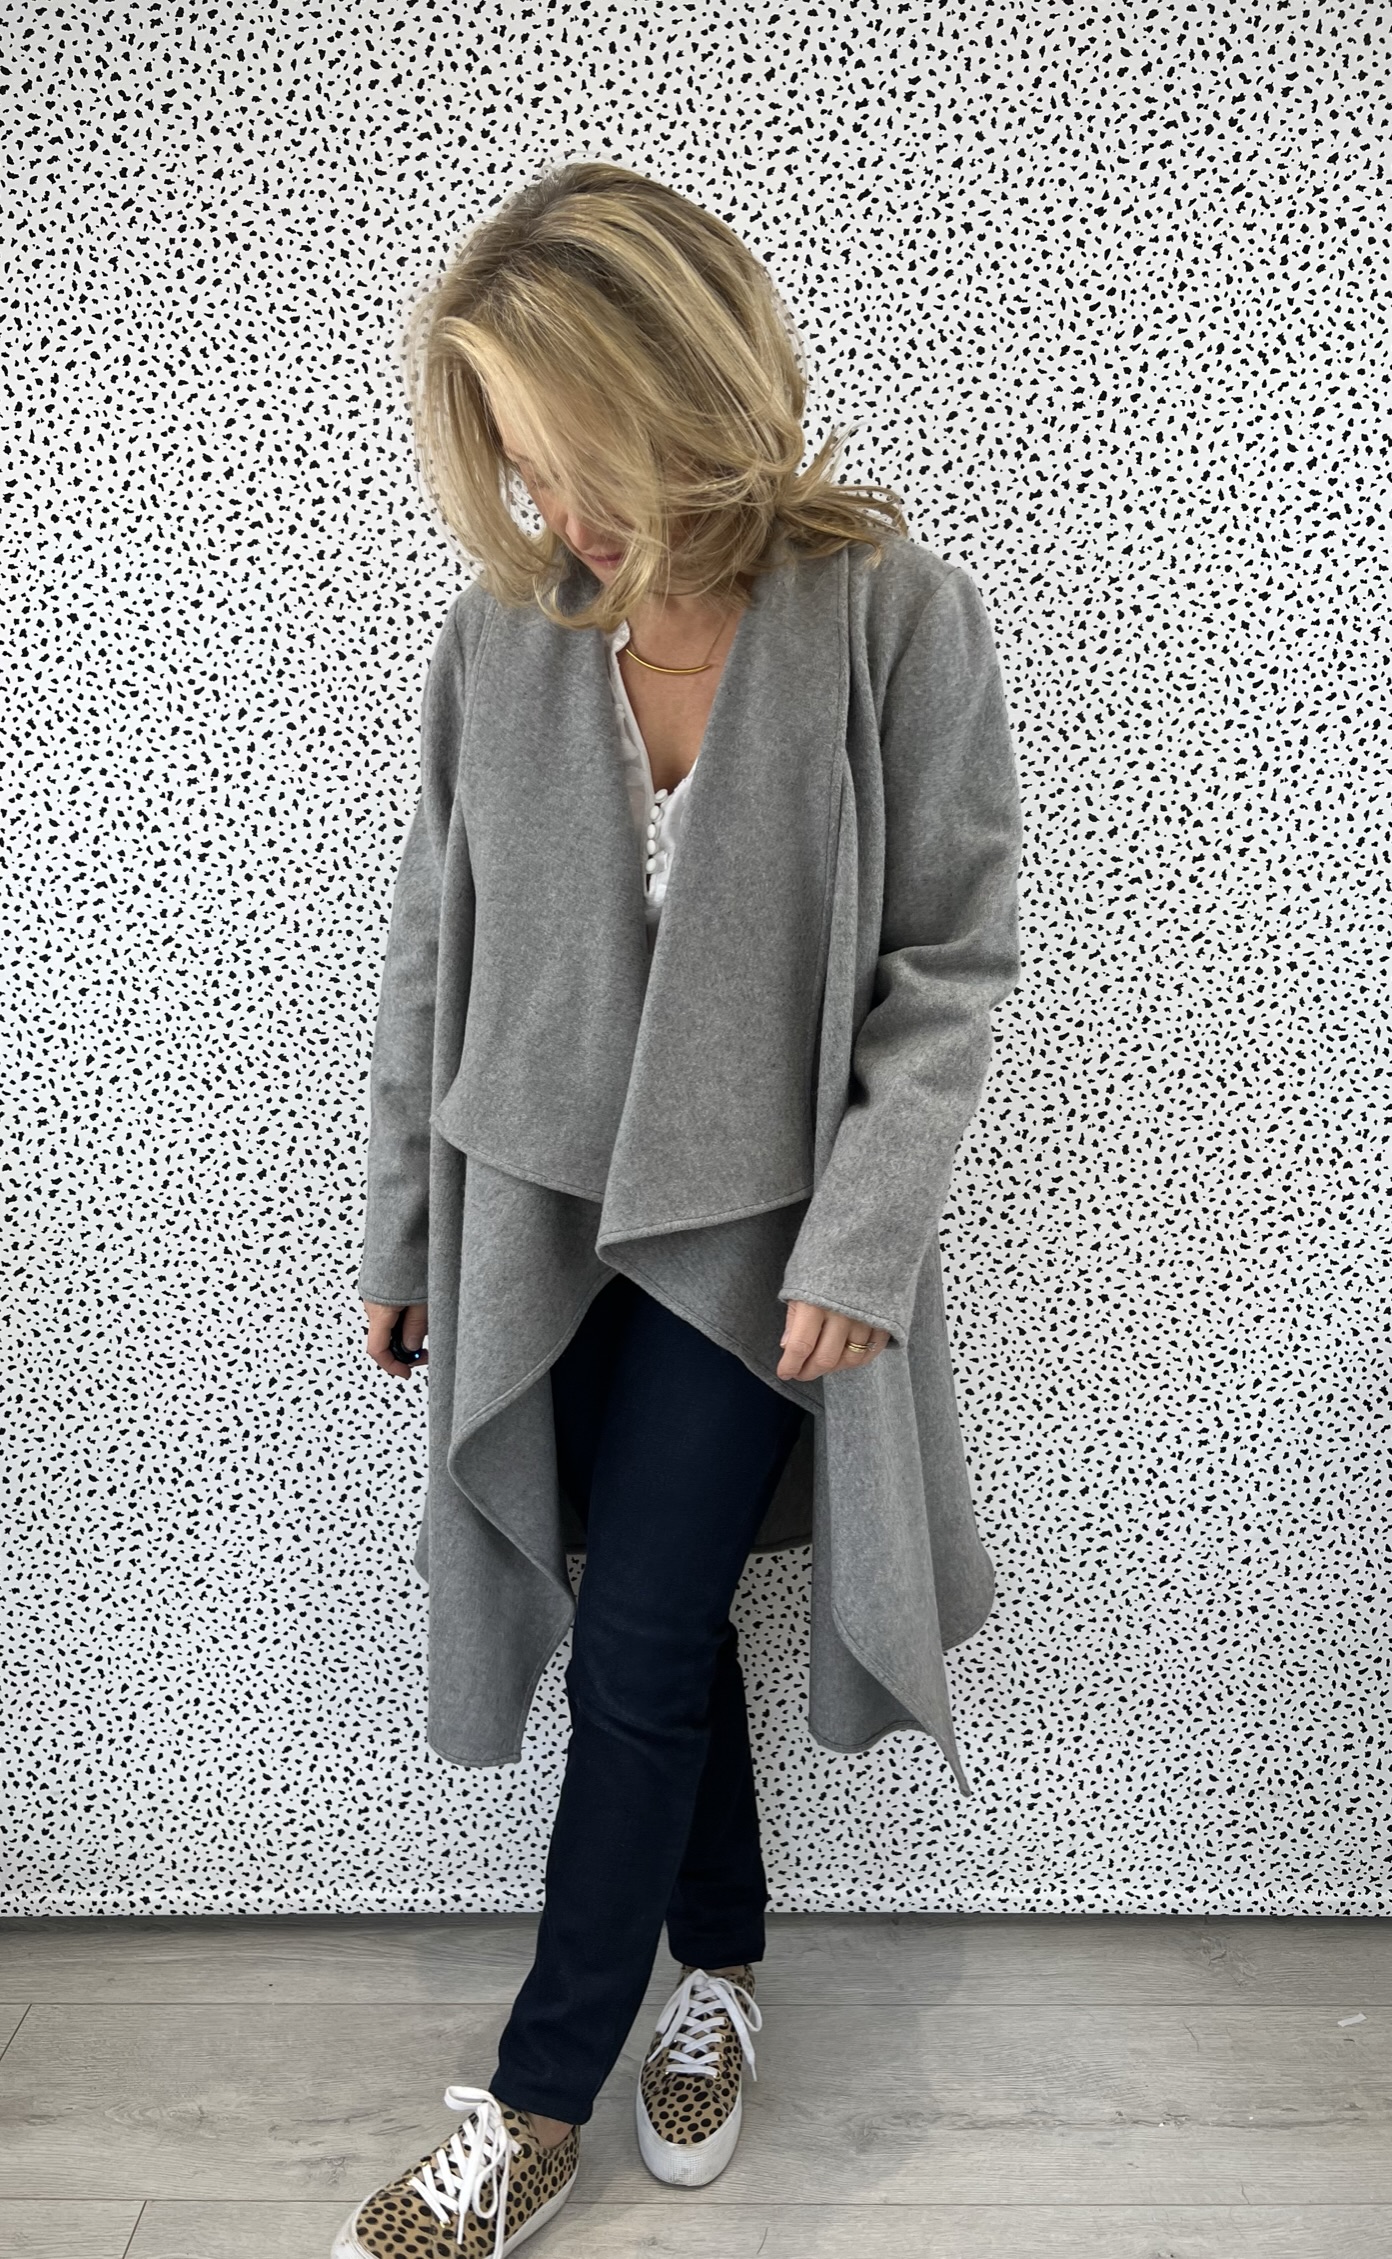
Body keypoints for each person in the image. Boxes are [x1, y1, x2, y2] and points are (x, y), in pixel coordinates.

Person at [337, 161, 1021, 2259]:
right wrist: (407, 1231)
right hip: (536, 1221)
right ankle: (717, 1965)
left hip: (754, 1238)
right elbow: (433, 956)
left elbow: (948, 961)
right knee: (657, 1616)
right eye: (515, 463)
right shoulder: (502, 636)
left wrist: (865, 1237)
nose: (555, 509)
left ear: (689, 392)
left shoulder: (892, 614)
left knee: (633, 1637)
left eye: (579, 451)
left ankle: (539, 2100)